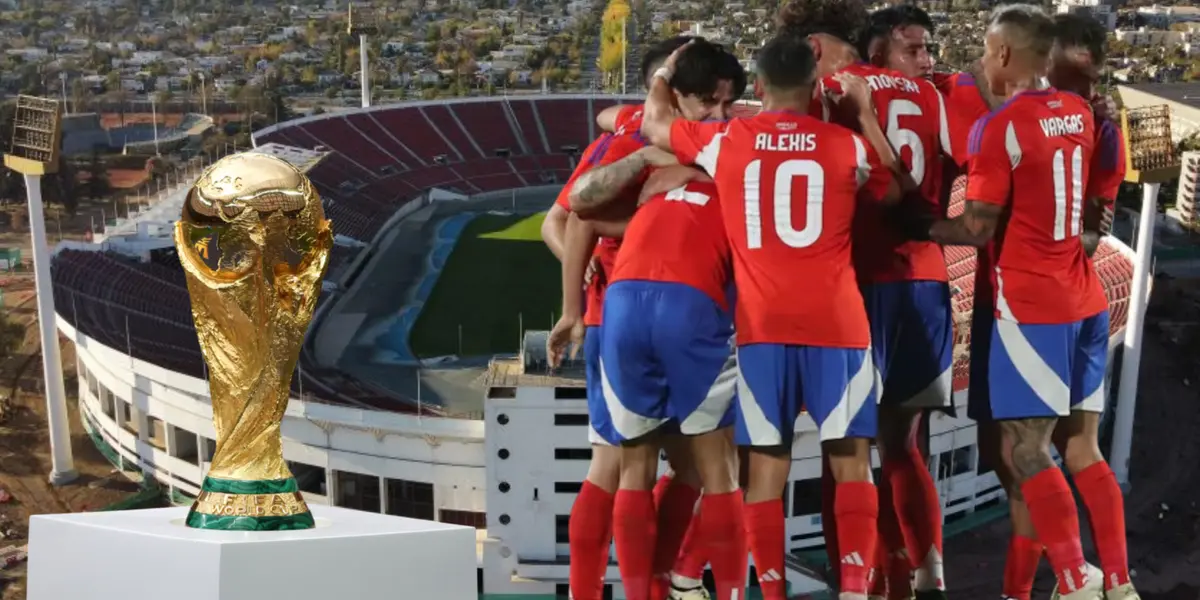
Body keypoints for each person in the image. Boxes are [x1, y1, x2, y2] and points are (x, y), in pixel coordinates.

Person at [642, 34, 900, 600]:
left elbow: (653, 125)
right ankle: (856, 590)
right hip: (839, 323)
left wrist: (665, 72)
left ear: (757, 88)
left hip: (762, 328)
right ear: (812, 89)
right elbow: (892, 186)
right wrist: (864, 116)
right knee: (851, 459)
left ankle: (772, 589)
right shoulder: (845, 145)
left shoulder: (728, 140)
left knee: (766, 464)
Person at [544, 36, 744, 600]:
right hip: (620, 313)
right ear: (672, 89)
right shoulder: (629, 136)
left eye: (724, 102)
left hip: (662, 310)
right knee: (624, 467)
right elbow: (563, 219)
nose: (717, 112)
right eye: (706, 98)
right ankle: (621, 587)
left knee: (685, 468)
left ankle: (665, 582)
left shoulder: (694, 135)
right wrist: (582, 285)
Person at [925, 5, 1110, 600]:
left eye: (984, 50)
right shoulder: (1079, 113)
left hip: (1024, 306)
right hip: (1077, 294)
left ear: (1003, 55)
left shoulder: (999, 127)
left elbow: (976, 228)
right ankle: (1051, 587)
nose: (980, 59)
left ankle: (1077, 577)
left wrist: (915, 221)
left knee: (1023, 451)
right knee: (1055, 450)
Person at [777, 2, 954, 597]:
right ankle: (924, 575)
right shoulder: (936, 94)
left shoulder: (827, 92)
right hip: (927, 279)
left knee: (844, 450)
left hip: (856, 283)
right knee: (904, 445)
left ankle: (858, 582)